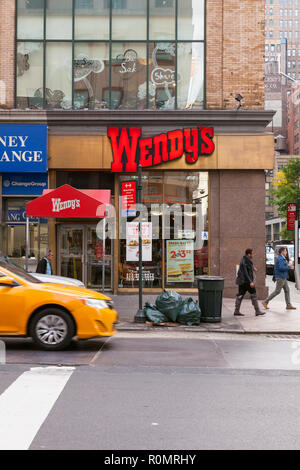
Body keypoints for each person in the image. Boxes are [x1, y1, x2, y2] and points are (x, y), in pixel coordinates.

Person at [234, 248, 265, 316]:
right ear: (249, 254)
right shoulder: (246, 261)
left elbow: (248, 267)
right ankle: (257, 311)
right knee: (254, 294)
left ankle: (236, 311)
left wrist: (253, 268)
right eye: (252, 254)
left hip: (242, 281)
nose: (253, 255)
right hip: (247, 281)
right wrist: (250, 282)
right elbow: (245, 272)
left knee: (240, 295)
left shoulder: (245, 259)